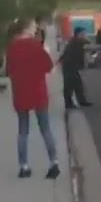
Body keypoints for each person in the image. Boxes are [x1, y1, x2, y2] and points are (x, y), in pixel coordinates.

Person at [5, 19, 60, 180]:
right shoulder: (37, 46)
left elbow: (8, 70)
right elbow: (49, 67)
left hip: (20, 92)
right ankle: (53, 163)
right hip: (38, 92)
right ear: (28, 28)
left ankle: (24, 166)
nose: (36, 29)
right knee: (45, 129)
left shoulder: (12, 47)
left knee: (23, 130)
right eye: (34, 27)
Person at [60, 27, 93, 109]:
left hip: (69, 65)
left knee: (76, 84)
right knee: (71, 85)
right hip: (70, 66)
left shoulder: (73, 41)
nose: (85, 35)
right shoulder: (77, 41)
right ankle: (72, 103)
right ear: (79, 34)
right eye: (83, 33)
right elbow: (89, 43)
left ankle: (78, 102)